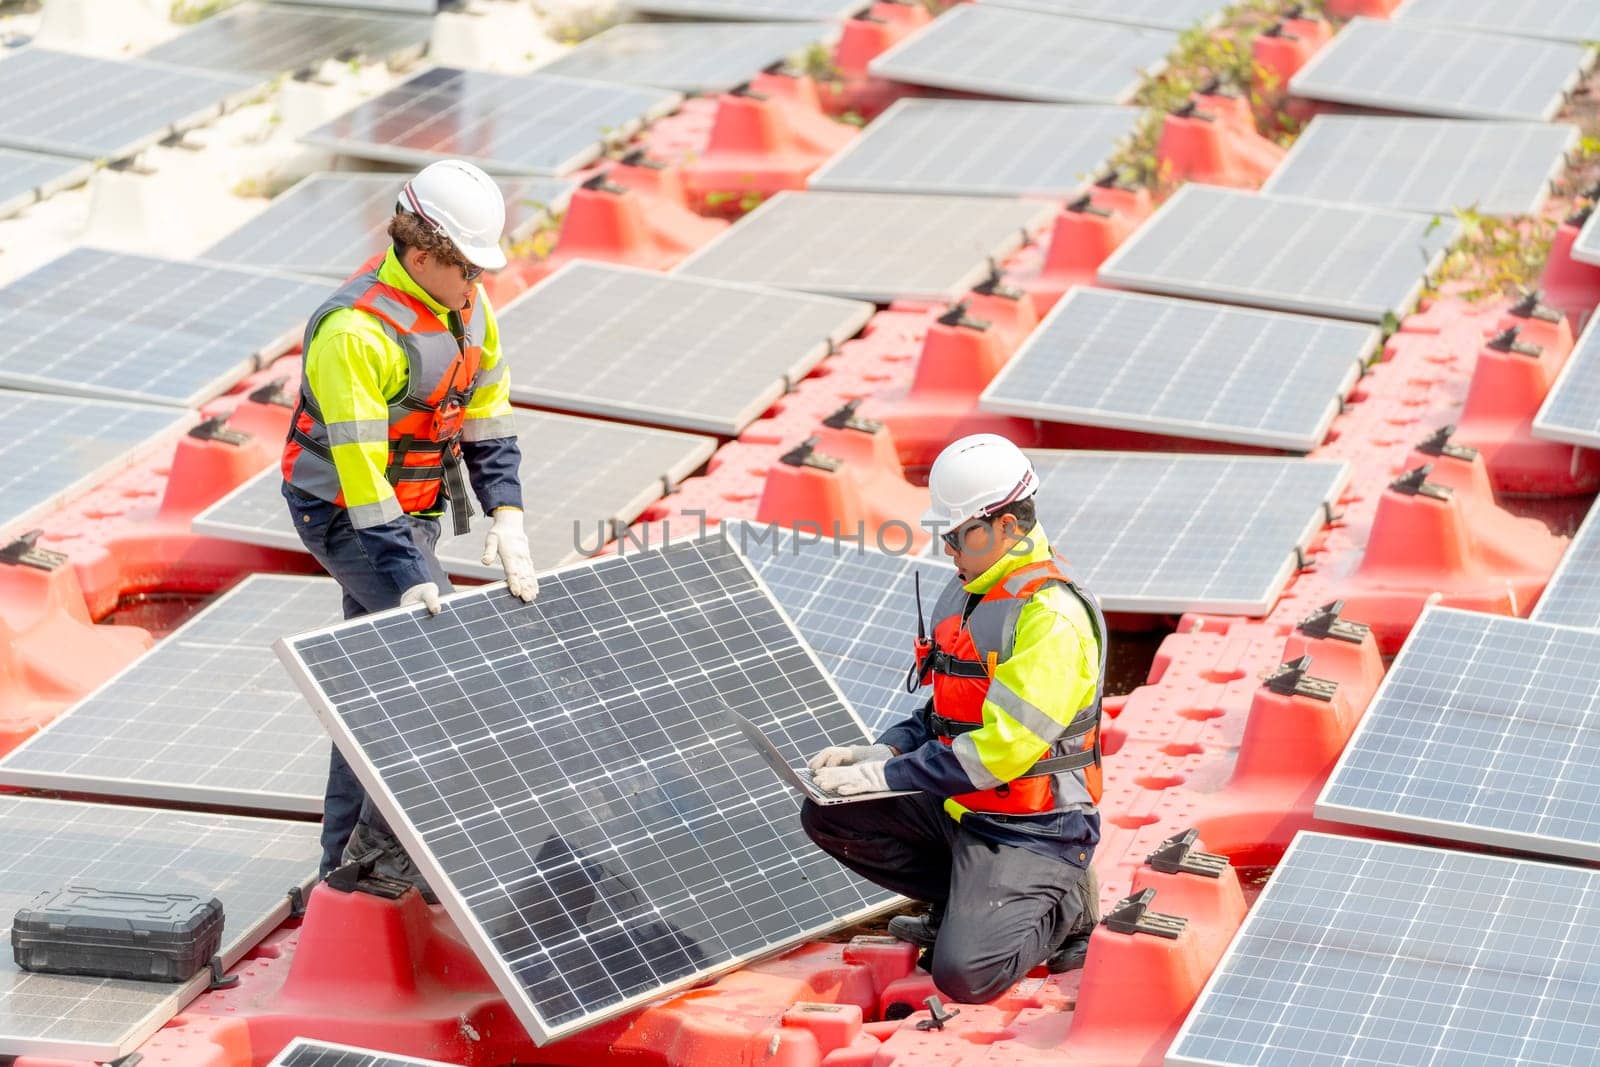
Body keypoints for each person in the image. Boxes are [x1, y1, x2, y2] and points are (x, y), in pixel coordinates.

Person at [280, 159, 540, 889]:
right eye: (467, 269)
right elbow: (364, 487)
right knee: (437, 670)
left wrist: (508, 514)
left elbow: (489, 417)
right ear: (421, 255)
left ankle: (342, 869)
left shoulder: (466, 309)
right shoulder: (354, 334)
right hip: (343, 514)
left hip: (413, 508)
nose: (479, 286)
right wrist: (410, 577)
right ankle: (377, 865)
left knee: (373, 677)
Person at [801, 433, 1106, 1004]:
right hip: (962, 806)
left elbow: (1000, 752)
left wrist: (889, 779)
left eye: (956, 533)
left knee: (965, 976)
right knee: (831, 812)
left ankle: (1066, 900)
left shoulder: (1050, 620)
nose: (946, 547)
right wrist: (885, 752)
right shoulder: (970, 590)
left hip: (1035, 825)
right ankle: (965, 898)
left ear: (1006, 527)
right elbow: (944, 713)